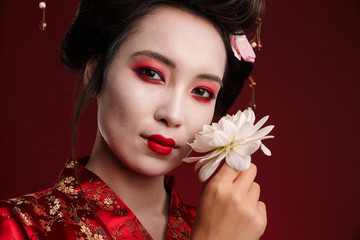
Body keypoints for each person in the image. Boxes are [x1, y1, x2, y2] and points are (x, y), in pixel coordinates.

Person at [0, 0, 266, 239]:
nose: (172, 115)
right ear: (95, 75)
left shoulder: (228, 225)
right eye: (151, 73)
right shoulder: (16, 227)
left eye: (201, 92)